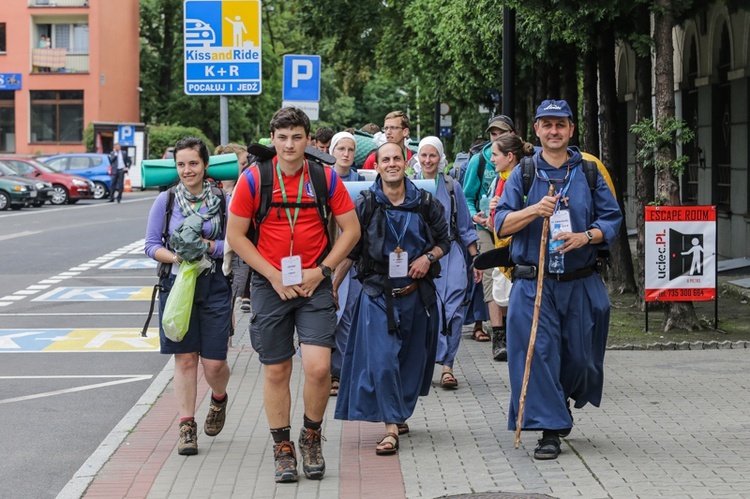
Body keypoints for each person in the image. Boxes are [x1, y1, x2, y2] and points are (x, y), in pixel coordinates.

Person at [226, 107, 360, 483]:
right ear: (273, 138)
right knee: (277, 369)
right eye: (282, 137)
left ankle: (311, 436)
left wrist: (323, 271)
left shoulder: (324, 177)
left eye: (296, 137)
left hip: (313, 283)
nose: (289, 144)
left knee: (318, 367)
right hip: (271, 285)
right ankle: (282, 447)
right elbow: (235, 236)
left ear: (307, 139)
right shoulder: (254, 179)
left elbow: (351, 231)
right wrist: (272, 275)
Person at [494, 99, 622, 460]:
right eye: (547, 124)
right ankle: (549, 429)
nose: (554, 131)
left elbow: (612, 219)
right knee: (539, 354)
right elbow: (501, 223)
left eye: (560, 124)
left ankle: (559, 401)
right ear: (536, 129)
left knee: (582, 360)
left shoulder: (589, 171)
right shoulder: (523, 173)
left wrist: (587, 236)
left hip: (580, 281)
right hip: (535, 284)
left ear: (570, 129)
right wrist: (535, 210)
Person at [334, 141, 451, 455]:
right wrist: (333, 284)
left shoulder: (426, 203)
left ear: (405, 161)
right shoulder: (367, 204)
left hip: (415, 296)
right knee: (383, 362)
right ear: (378, 165)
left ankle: (398, 412)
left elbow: (444, 241)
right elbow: (352, 250)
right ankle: (389, 429)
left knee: (409, 364)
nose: (391, 164)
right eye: (385, 159)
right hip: (376, 296)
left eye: (396, 158)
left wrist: (428, 257)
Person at [144, 137, 231, 456]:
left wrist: (208, 248)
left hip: (213, 285)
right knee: (185, 359)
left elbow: (234, 243)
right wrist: (176, 257)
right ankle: (186, 426)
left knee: (214, 363)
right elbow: (151, 246)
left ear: (205, 165)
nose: (187, 170)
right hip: (177, 286)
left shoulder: (222, 200)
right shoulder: (165, 202)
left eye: (193, 163)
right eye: (181, 164)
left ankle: (219, 398)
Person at [412, 137, 481, 389]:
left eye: (433, 155)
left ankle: (448, 366)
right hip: (420, 257)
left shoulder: (453, 187)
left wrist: (476, 259)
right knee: (426, 313)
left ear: (440, 157)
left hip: (451, 255)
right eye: (424, 155)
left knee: (454, 311)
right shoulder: (411, 186)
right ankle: (425, 364)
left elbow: (464, 226)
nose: (428, 160)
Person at [461, 115, 515, 354]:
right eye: (493, 134)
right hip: (485, 227)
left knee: (513, 277)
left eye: (501, 133)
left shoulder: (524, 163)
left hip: (512, 227)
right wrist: (476, 216)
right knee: (492, 274)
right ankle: (499, 336)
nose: (497, 138)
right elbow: (467, 196)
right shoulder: (479, 160)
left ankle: (514, 329)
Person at [485, 134, 536, 360]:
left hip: (520, 254)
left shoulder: (524, 179)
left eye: (495, 155)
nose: (492, 160)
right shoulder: (499, 180)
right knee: (503, 299)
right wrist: (492, 213)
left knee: (519, 307)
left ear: (510, 156)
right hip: (504, 251)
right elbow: (493, 224)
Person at [327, 131, 364, 396]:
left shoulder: (362, 182)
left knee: (347, 317)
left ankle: (338, 372)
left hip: (353, 260)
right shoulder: (322, 179)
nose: (346, 154)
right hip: (323, 256)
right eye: (341, 148)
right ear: (332, 151)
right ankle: (323, 370)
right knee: (325, 316)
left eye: (350, 149)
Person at [215, 143, 250, 339]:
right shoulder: (209, 187)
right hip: (212, 256)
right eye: (242, 163)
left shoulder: (244, 187)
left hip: (236, 258)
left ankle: (223, 351)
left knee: (228, 304)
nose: (246, 167)